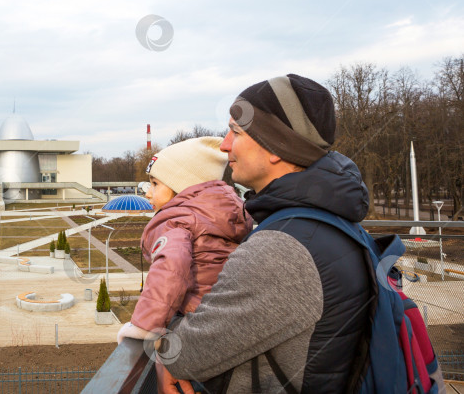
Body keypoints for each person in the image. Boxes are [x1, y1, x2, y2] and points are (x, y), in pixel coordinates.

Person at [156, 74, 374, 392]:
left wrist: (168, 323)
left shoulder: (283, 247)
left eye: (236, 131)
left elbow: (183, 353)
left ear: (275, 146)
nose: (224, 144)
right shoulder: (330, 223)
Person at [116, 137, 252, 393]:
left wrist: (143, 327)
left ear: (182, 187)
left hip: (194, 324)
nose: (147, 192)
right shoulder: (229, 214)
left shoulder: (177, 221)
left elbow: (170, 268)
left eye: (155, 184)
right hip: (227, 322)